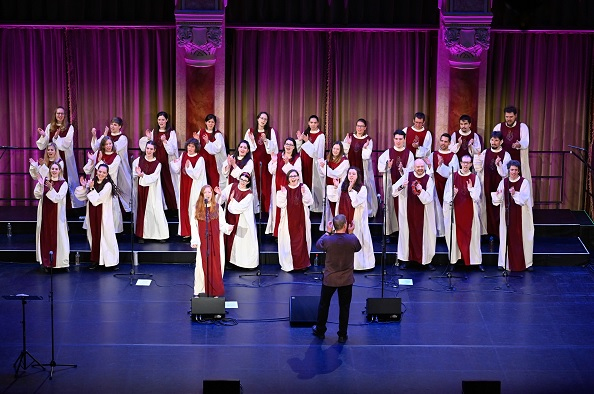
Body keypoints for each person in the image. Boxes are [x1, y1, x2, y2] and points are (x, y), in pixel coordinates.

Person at [311, 214, 361, 344]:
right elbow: (358, 247)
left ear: (334, 226)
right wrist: (351, 233)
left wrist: (327, 232)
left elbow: (318, 245)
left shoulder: (328, 240)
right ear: (345, 225)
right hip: (346, 280)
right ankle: (342, 334)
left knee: (324, 305)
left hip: (330, 279)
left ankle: (320, 330)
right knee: (344, 307)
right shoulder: (351, 240)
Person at [35, 106, 84, 208]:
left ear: (64, 116)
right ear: (55, 115)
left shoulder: (69, 127)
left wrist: (56, 138)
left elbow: (66, 144)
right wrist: (44, 135)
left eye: (62, 113)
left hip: (65, 157)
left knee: (66, 179)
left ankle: (69, 207)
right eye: (58, 113)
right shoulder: (50, 126)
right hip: (52, 158)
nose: (60, 115)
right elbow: (44, 144)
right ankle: (52, 203)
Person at [327, 167, 375, 270]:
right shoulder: (342, 186)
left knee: (355, 237)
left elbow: (355, 203)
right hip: (343, 216)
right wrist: (336, 187)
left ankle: (357, 264)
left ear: (357, 176)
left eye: (353, 174)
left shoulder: (362, 188)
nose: (351, 176)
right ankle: (341, 264)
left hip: (355, 218)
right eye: (349, 173)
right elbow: (334, 198)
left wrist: (351, 191)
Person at [392, 159, 436, 270]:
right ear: (414, 167)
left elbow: (429, 199)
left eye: (422, 166)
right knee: (406, 235)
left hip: (424, 215)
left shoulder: (429, 179)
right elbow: (394, 191)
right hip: (408, 212)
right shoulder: (407, 175)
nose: (420, 169)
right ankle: (405, 260)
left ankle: (426, 261)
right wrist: (402, 186)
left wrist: (421, 191)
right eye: (418, 167)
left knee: (425, 236)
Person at [190, 185, 233, 297]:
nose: (208, 194)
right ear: (202, 194)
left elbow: (221, 224)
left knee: (216, 264)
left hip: (215, 241)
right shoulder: (196, 208)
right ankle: (201, 289)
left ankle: (215, 290)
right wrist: (194, 240)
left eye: (210, 192)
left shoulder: (218, 207)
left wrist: (228, 227)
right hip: (203, 241)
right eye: (206, 192)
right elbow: (194, 226)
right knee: (201, 265)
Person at [75, 164, 120, 270]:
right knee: (94, 236)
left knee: (106, 238)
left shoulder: (108, 185)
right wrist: (84, 187)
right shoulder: (92, 181)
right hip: (92, 213)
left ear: (107, 174)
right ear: (97, 171)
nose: (101, 174)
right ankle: (95, 260)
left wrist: (91, 189)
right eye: (100, 172)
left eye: (104, 173)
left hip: (103, 214)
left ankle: (110, 261)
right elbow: (82, 196)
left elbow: (98, 200)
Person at [492, 160, 534, 272]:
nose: (513, 172)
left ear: (519, 171)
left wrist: (515, 194)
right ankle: (503, 262)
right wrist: (498, 195)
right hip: (507, 215)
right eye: (511, 170)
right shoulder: (504, 182)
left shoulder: (524, 182)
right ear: (508, 170)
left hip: (521, 215)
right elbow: (498, 197)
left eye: (515, 170)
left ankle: (526, 263)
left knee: (523, 237)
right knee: (506, 237)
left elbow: (524, 199)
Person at [443, 155, 484, 271]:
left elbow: (477, 197)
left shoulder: (474, 178)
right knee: (454, 236)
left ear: (471, 164)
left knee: (473, 237)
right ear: (460, 163)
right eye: (464, 162)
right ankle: (453, 261)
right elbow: (446, 198)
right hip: (456, 211)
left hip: (470, 211)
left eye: (468, 163)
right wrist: (453, 193)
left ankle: (475, 261)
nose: (465, 165)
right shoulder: (453, 177)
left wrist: (471, 189)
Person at [216, 173, 259, 269]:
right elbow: (223, 197)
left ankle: (241, 264)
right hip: (229, 218)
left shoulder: (249, 194)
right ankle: (229, 261)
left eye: (245, 180)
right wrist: (220, 195)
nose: (243, 182)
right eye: (241, 179)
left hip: (242, 221)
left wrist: (232, 200)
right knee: (229, 240)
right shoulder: (232, 186)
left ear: (248, 182)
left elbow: (238, 208)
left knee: (240, 243)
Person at [139, 111, 179, 211]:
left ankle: (172, 208)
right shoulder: (154, 132)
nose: (161, 122)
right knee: (157, 184)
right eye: (159, 120)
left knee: (168, 183)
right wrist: (149, 138)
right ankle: (160, 207)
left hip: (166, 162)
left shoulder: (171, 133)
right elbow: (149, 147)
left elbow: (172, 151)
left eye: (163, 120)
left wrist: (165, 141)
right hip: (156, 162)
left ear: (167, 120)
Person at [90, 117, 133, 212]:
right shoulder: (107, 136)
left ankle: (125, 208)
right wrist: (94, 136)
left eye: (115, 125)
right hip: (104, 164)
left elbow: (114, 147)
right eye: (112, 124)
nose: (112, 126)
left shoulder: (122, 138)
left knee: (123, 186)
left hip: (118, 166)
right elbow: (96, 147)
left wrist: (105, 139)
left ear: (120, 126)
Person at [83, 136, 123, 233]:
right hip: (97, 184)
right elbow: (87, 169)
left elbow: (110, 170)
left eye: (110, 144)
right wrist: (92, 160)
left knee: (110, 206)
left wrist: (100, 161)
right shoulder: (98, 153)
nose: (109, 146)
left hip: (109, 185)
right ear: (103, 145)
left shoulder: (116, 157)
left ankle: (112, 230)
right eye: (106, 144)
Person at [473, 130, 511, 235]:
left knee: (498, 209)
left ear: (501, 142)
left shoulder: (506, 155)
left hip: (499, 185)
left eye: (496, 140)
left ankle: (499, 234)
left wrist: (499, 164)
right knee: (485, 208)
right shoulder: (485, 152)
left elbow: (505, 174)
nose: (493, 142)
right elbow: (478, 169)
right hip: (486, 183)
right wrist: (477, 159)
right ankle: (486, 233)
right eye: (492, 140)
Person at [34, 162, 70, 270]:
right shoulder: (44, 181)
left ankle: (61, 263)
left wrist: (51, 189)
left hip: (57, 215)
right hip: (45, 213)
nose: (54, 171)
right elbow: (37, 195)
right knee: (45, 236)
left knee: (60, 238)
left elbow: (58, 198)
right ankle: (46, 262)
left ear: (60, 171)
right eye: (52, 169)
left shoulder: (63, 183)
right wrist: (40, 185)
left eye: (56, 169)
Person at [276, 169, 313, 272]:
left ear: (298, 177)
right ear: (288, 178)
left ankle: (302, 264)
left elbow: (309, 201)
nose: (293, 178)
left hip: (301, 220)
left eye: (294, 176)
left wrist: (304, 193)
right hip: (288, 220)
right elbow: (280, 204)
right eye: (291, 176)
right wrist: (283, 194)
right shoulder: (283, 190)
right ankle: (290, 264)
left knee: (302, 241)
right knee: (289, 242)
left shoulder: (303, 187)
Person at [378, 130, 414, 235]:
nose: (398, 141)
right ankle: (388, 232)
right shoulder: (388, 152)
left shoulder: (409, 154)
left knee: (403, 207)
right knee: (389, 206)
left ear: (404, 140)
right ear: (393, 139)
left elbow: (412, 171)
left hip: (404, 185)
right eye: (396, 139)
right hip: (390, 182)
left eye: (400, 139)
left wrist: (403, 169)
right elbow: (380, 167)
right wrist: (387, 167)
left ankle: (403, 232)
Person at [132, 141, 169, 243]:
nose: (149, 151)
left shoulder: (158, 164)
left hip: (152, 190)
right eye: (147, 148)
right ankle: (141, 235)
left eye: (151, 149)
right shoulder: (137, 161)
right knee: (141, 211)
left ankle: (160, 235)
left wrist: (142, 175)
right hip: (140, 189)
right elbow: (134, 173)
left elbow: (154, 177)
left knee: (155, 210)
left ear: (154, 150)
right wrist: (138, 174)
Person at [170, 138, 206, 241]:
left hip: (194, 187)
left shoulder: (200, 159)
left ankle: (195, 233)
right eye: (189, 146)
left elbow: (196, 174)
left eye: (192, 146)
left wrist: (188, 168)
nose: (190, 148)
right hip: (184, 185)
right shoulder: (184, 155)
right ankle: (186, 232)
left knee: (193, 209)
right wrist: (175, 163)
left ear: (196, 148)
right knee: (184, 208)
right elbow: (177, 169)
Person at [266, 137, 302, 237]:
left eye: (291, 145)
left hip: (290, 189)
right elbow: (272, 171)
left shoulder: (297, 158)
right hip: (278, 186)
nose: (288, 146)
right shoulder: (278, 156)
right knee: (277, 210)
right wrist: (273, 162)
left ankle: (288, 233)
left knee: (288, 210)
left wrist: (287, 164)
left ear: (294, 147)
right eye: (287, 144)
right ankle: (277, 233)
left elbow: (296, 173)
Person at [342, 118, 378, 217]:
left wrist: (364, 147)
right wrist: (348, 144)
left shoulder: (368, 140)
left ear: (365, 128)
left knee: (363, 187)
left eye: (362, 126)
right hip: (351, 167)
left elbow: (366, 156)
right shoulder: (349, 136)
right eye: (358, 126)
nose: (359, 128)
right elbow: (344, 151)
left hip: (363, 169)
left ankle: (366, 211)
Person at [426, 133, 459, 237]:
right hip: (436, 185)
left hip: (447, 186)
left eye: (446, 141)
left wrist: (442, 166)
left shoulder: (453, 156)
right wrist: (431, 166)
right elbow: (428, 172)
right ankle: (438, 233)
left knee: (446, 209)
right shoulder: (433, 154)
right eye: (442, 141)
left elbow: (454, 172)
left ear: (449, 143)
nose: (443, 143)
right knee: (436, 210)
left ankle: (447, 234)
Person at [244, 111, 278, 213]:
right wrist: (253, 141)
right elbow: (246, 147)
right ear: (258, 119)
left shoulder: (270, 131)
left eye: (265, 119)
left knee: (266, 184)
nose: (263, 120)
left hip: (267, 162)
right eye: (262, 118)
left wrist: (266, 140)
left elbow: (274, 148)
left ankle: (267, 209)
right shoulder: (250, 131)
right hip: (254, 162)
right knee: (255, 184)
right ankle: (257, 209)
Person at [493, 106, 532, 190]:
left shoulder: (522, 127)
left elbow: (526, 141)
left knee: (518, 185)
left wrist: (519, 144)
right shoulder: (499, 127)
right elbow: (494, 140)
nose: (508, 119)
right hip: (503, 160)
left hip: (518, 160)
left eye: (511, 117)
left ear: (515, 116)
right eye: (507, 117)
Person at [317, 141, 349, 229]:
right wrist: (321, 166)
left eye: (337, 149)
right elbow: (323, 174)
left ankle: (338, 228)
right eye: (334, 148)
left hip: (338, 188)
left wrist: (324, 167)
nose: (335, 150)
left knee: (337, 209)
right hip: (329, 188)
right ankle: (330, 228)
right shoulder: (328, 160)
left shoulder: (344, 161)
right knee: (329, 210)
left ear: (341, 150)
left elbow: (336, 174)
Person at [296, 115, 325, 212]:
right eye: (311, 122)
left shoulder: (320, 135)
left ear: (318, 123)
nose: (313, 124)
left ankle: (315, 206)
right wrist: (300, 140)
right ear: (308, 123)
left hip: (313, 164)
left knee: (312, 183)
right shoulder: (306, 132)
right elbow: (299, 148)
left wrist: (307, 141)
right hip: (303, 161)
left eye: (315, 122)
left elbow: (317, 153)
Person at [222, 140, 258, 212]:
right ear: (238, 148)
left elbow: (244, 176)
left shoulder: (249, 162)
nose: (242, 149)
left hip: (242, 188)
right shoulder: (232, 157)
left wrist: (234, 165)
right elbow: (224, 172)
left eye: (245, 148)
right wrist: (229, 165)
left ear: (248, 150)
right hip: (231, 185)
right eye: (241, 147)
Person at [194, 114, 227, 191]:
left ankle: (214, 200)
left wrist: (208, 142)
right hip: (203, 160)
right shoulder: (201, 132)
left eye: (212, 122)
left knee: (213, 180)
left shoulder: (217, 134)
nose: (210, 124)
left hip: (213, 162)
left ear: (215, 123)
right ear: (205, 122)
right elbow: (196, 146)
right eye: (209, 121)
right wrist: (197, 140)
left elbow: (217, 149)